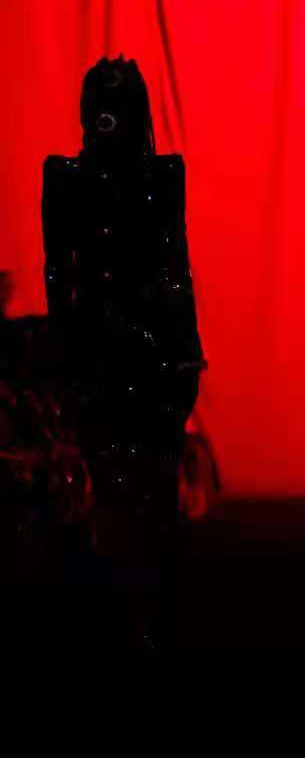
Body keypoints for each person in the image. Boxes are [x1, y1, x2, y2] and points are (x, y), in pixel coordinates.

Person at [42, 56, 205, 651]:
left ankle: (153, 623)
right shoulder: (65, 178)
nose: (105, 118)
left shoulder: (162, 177)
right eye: (98, 105)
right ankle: (123, 625)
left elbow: (175, 268)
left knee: (153, 495)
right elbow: (59, 273)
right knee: (113, 495)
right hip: (100, 356)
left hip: (151, 356)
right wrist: (66, 356)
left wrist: (187, 351)